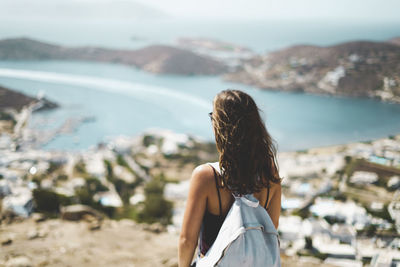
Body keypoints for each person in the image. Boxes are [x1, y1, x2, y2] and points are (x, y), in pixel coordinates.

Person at [178, 89, 282, 267]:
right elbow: (270, 230)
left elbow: (187, 241)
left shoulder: (206, 176)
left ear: (220, 125)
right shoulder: (269, 173)